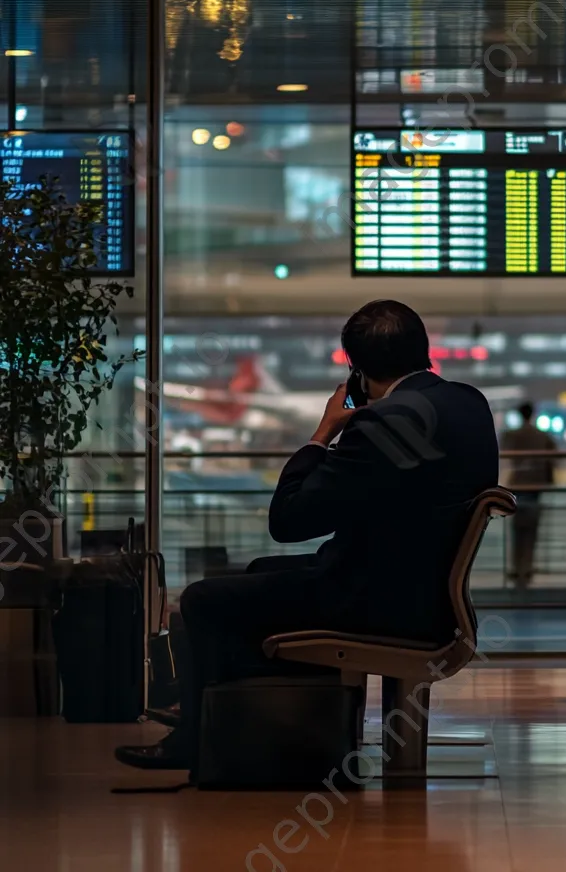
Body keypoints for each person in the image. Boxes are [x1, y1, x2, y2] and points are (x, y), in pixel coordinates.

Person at [114, 300, 499, 773]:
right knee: (259, 574)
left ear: (357, 372)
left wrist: (323, 433)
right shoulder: (468, 403)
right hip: (427, 593)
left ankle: (199, 736)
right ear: (423, 352)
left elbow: (289, 521)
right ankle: (247, 720)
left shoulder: (382, 423)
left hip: (379, 603)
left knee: (200, 601)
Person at [501, 402, 557, 589]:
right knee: (532, 530)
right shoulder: (542, 436)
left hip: (517, 485)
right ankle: (527, 567)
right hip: (535, 486)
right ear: (533, 414)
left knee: (516, 529)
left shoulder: (510, 435)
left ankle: (516, 568)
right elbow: (553, 459)